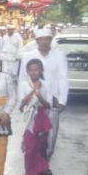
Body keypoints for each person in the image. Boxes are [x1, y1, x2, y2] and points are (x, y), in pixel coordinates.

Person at [19, 26, 68, 165]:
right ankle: (34, 162)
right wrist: (21, 102)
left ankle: (45, 160)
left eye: (47, 39)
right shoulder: (29, 56)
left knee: (50, 134)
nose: (44, 42)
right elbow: (22, 79)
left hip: (52, 101)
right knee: (32, 132)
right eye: (40, 39)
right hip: (32, 101)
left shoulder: (59, 55)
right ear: (36, 41)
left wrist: (63, 100)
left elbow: (63, 78)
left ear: (51, 40)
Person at [17, 59, 53, 175]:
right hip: (28, 122)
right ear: (27, 71)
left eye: (36, 69)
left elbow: (47, 105)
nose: (33, 72)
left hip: (42, 121)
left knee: (41, 151)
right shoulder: (23, 85)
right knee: (29, 152)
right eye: (30, 70)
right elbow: (22, 105)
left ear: (41, 71)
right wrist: (33, 91)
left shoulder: (47, 84)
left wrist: (40, 96)